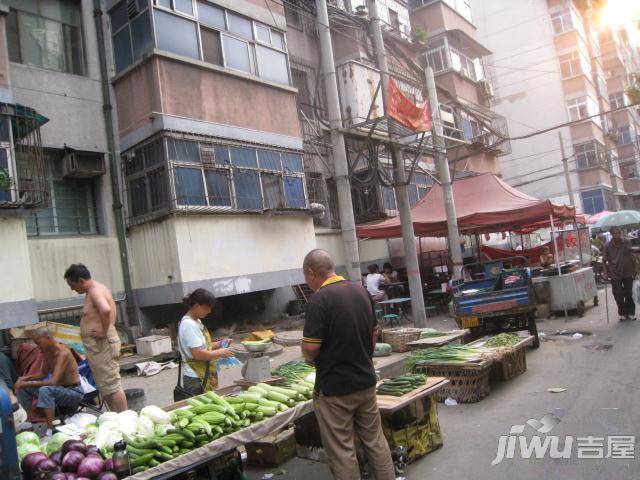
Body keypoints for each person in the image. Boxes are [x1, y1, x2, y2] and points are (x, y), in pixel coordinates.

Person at [301, 249, 395, 480]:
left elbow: (311, 349)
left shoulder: (318, 300)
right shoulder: (360, 290)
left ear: (311, 273)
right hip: (365, 381)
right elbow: (374, 335)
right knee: (375, 441)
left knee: (342, 451)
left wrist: (306, 354)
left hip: (335, 390)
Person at [63, 264, 127, 412]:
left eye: (72, 285)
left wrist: (104, 331)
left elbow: (106, 309)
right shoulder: (94, 290)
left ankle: (124, 417)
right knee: (105, 386)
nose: (72, 289)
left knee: (112, 384)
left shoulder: (95, 291)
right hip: (98, 346)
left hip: (102, 344)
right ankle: (116, 417)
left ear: (80, 280)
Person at [14, 327, 83, 435]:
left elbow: (53, 382)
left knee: (45, 390)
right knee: (25, 388)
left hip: (73, 392)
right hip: (58, 390)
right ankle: (28, 422)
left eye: (39, 343)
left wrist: (25, 383)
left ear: (48, 338)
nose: (38, 346)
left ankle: (52, 428)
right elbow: (43, 374)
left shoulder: (63, 353)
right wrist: (25, 379)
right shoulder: (47, 352)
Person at [178, 289, 234, 396]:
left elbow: (203, 346)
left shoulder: (196, 321)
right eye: (206, 308)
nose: (209, 311)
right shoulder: (189, 325)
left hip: (203, 374)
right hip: (196, 378)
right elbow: (198, 354)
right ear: (196, 305)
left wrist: (219, 344)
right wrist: (221, 353)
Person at [603, 227, 636, 321]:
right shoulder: (607, 246)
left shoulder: (626, 242)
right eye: (615, 233)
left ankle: (630, 312)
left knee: (628, 293)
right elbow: (604, 260)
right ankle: (622, 312)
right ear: (611, 235)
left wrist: (635, 269)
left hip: (627, 271)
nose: (617, 235)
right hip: (614, 273)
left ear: (621, 233)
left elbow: (632, 255)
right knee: (618, 294)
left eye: (618, 233)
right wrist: (605, 273)